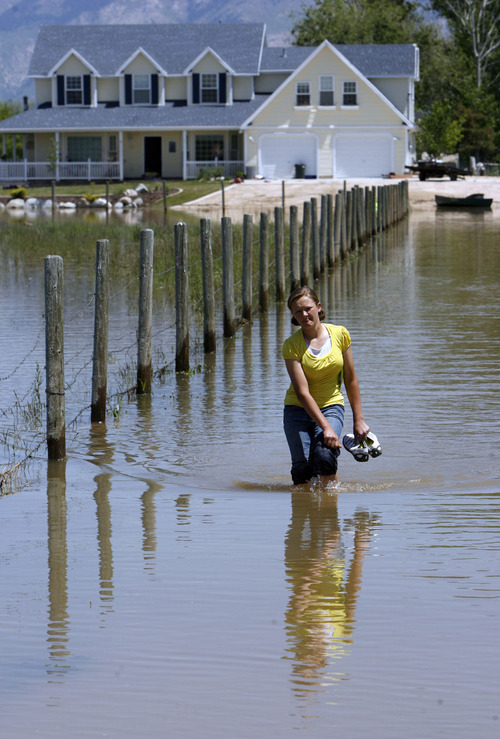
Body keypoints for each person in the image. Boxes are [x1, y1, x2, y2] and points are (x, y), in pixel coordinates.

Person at [282, 286, 370, 486]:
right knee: (301, 471)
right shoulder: (291, 345)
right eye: (297, 311)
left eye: (307, 308)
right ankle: (305, 510)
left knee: (324, 456)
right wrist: (325, 427)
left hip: (331, 406)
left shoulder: (340, 334)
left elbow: (350, 379)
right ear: (293, 315)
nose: (304, 314)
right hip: (297, 410)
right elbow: (302, 393)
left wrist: (359, 420)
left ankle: (328, 514)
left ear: (318, 306)